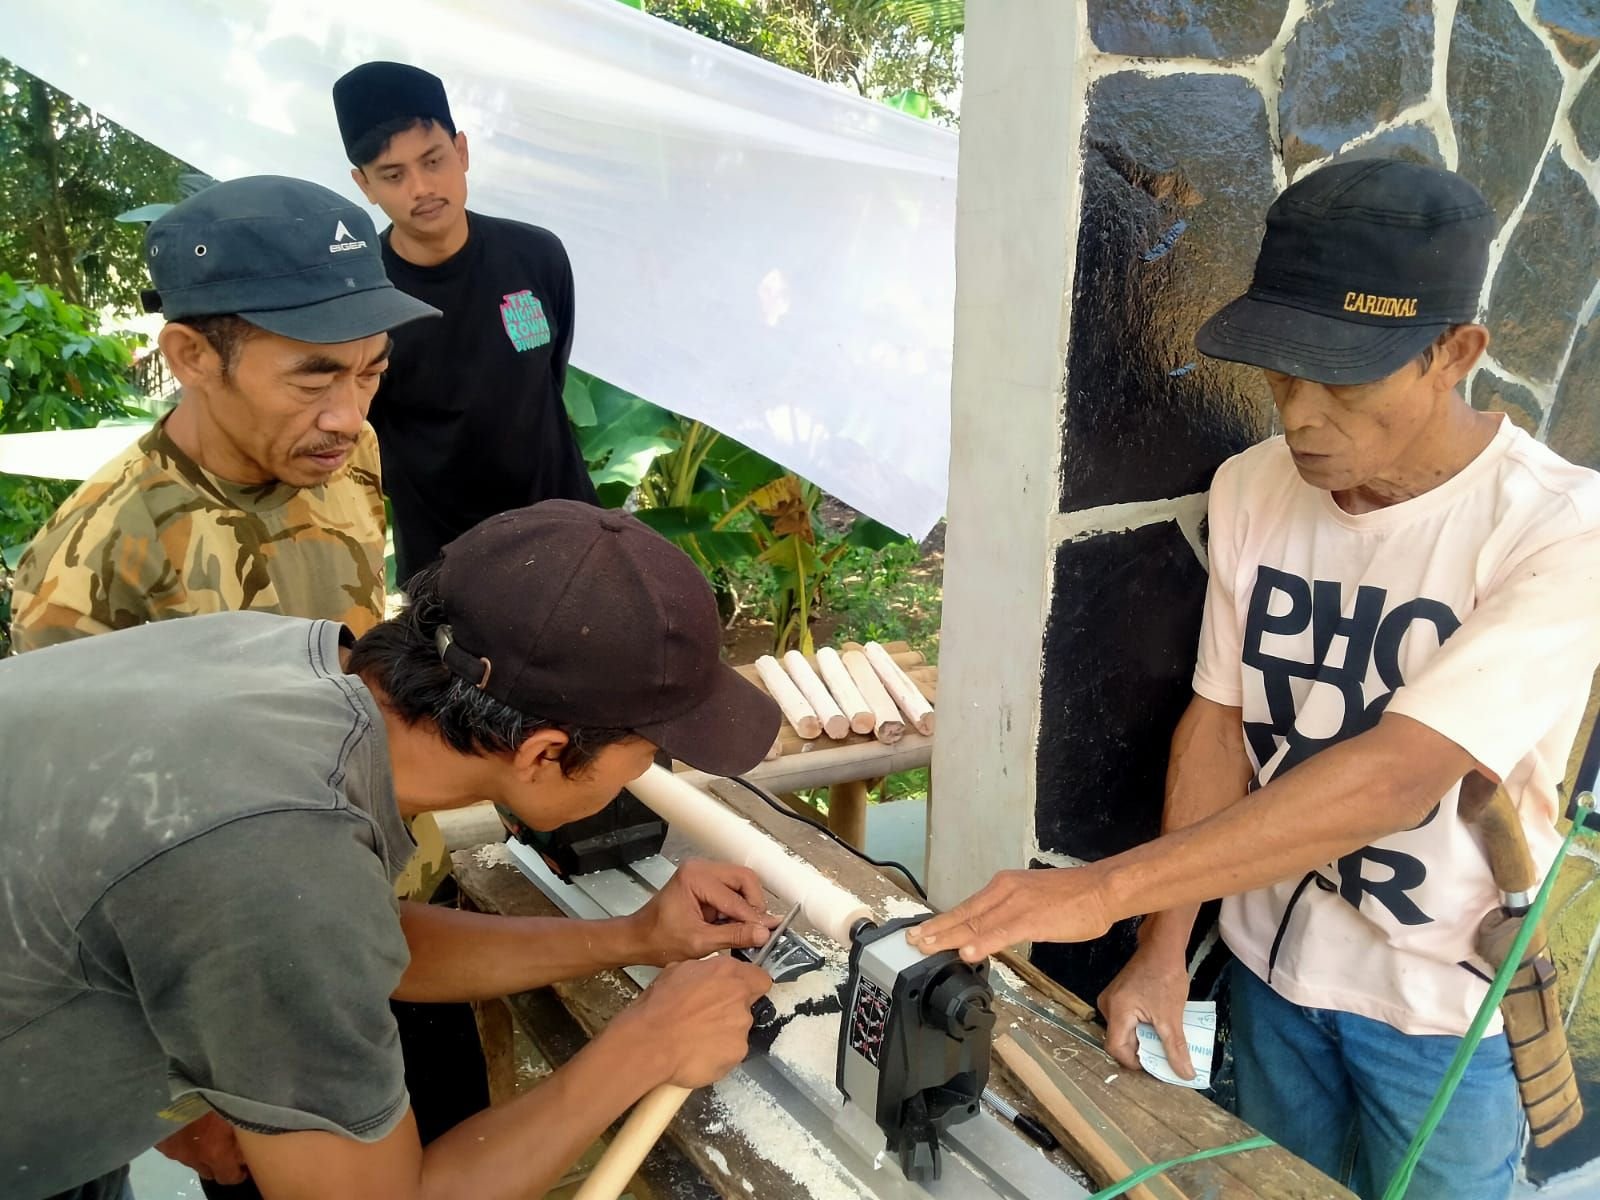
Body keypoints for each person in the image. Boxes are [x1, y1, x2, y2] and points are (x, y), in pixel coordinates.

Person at [910, 160, 1600, 1200]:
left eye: (1346, 381)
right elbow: (1218, 720)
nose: (1302, 418)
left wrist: (1099, 890)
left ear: (1454, 353)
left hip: (1442, 1003)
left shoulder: (1561, 531)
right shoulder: (1254, 488)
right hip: (1272, 971)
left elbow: (1397, 777)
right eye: (1281, 374)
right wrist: (1158, 944)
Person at [1, 499, 782, 1200]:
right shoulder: (280, 852)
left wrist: (632, 939)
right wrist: (642, 1048)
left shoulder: (279, 663)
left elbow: (361, 938)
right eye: (649, 750)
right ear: (543, 754)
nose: (649, 772)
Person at [9, 175, 433, 652]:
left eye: (370, 374)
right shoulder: (87, 576)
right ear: (193, 357)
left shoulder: (348, 450)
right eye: (311, 382)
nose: (349, 419)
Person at [331, 60, 597, 586]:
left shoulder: (537, 256)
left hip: (571, 537)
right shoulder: (362, 300)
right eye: (393, 175)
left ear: (462, 152)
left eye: (433, 161)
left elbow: (549, 376)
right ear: (364, 185)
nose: (421, 187)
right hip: (447, 569)